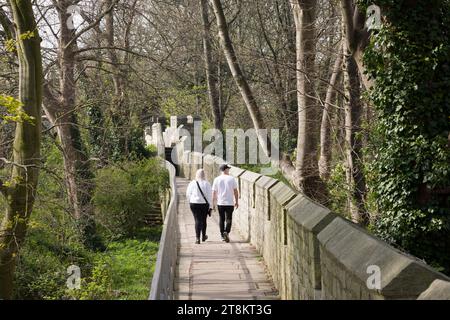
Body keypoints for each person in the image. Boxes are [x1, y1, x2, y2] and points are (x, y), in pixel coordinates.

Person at [212, 164, 239, 243]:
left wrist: (213, 203)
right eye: (228, 169)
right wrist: (237, 201)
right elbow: (235, 191)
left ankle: (222, 235)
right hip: (229, 202)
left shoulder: (217, 179)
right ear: (226, 170)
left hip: (220, 202)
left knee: (221, 218)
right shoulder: (231, 179)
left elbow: (213, 192)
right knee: (229, 219)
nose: (229, 171)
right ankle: (226, 232)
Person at [186, 169, 213, 244]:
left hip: (194, 203)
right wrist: (211, 206)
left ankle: (197, 238)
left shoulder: (192, 183)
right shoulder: (207, 183)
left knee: (197, 220)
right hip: (204, 204)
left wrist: (190, 202)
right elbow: (210, 196)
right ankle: (203, 236)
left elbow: (188, 194)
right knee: (204, 220)